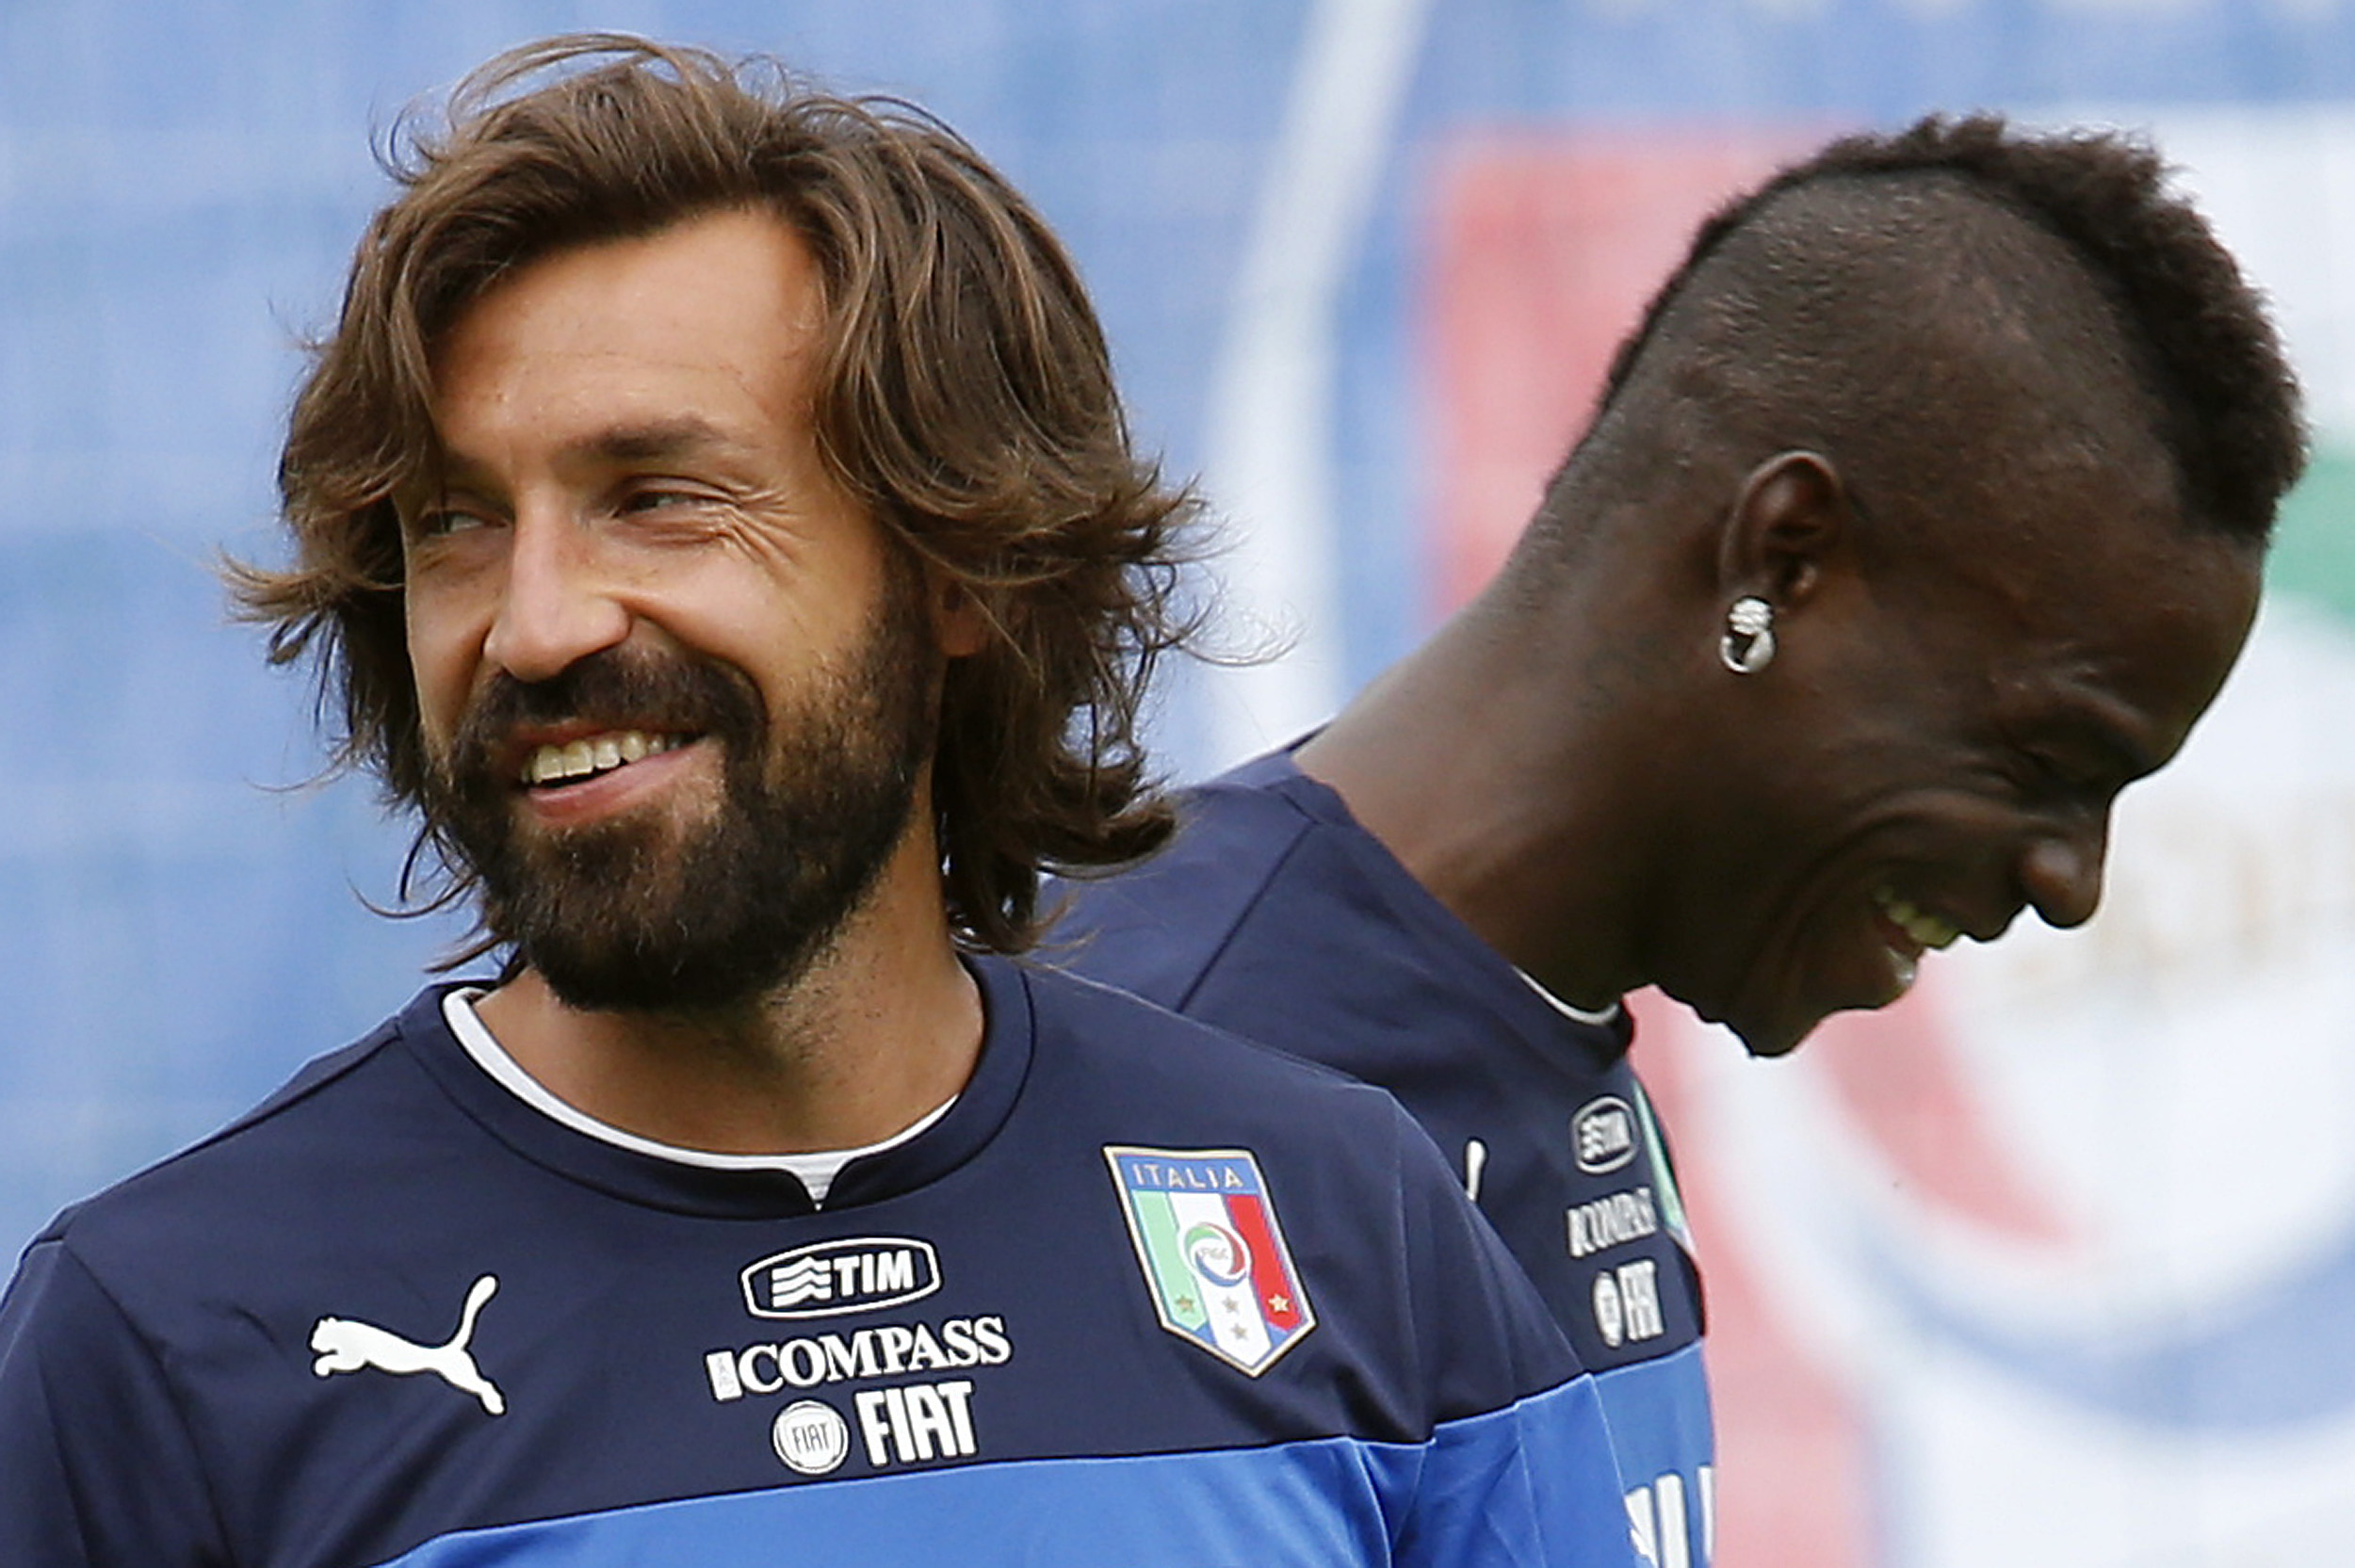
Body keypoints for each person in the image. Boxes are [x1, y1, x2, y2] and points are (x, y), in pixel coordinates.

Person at [0, 37, 1639, 1568]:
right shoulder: (165, 1341)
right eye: (457, 524)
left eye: (661, 498)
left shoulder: (1349, 1220)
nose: (539, 621)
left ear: (954, 570)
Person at [1051, 114, 2304, 1568]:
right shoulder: (1144, 1085)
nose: (2069, 883)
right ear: (1782, 559)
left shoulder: (1549, 1043)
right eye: (2043, 761)